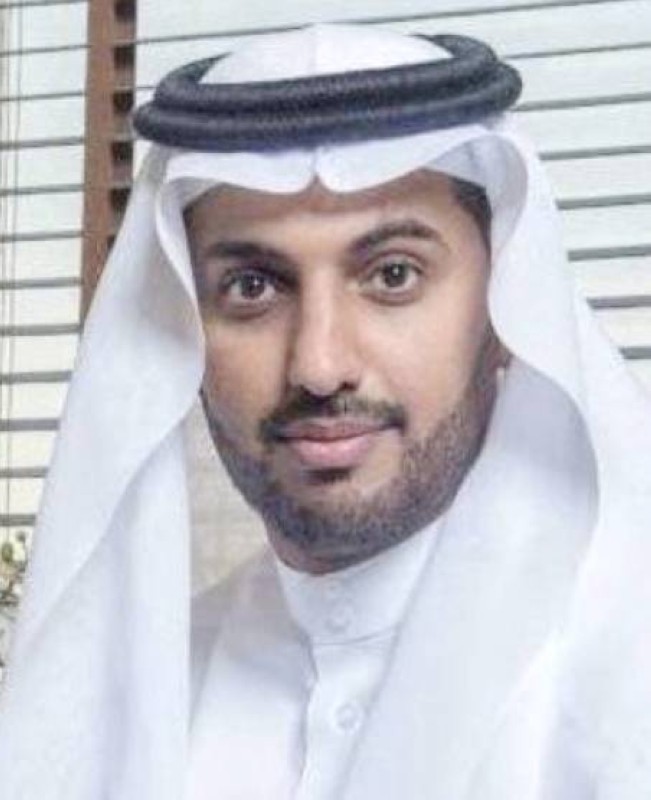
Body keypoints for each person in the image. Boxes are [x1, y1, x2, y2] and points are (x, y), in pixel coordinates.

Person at [1, 23, 650, 800]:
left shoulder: (623, 685)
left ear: (506, 310)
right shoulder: (126, 705)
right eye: (252, 288)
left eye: (393, 275)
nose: (318, 364)